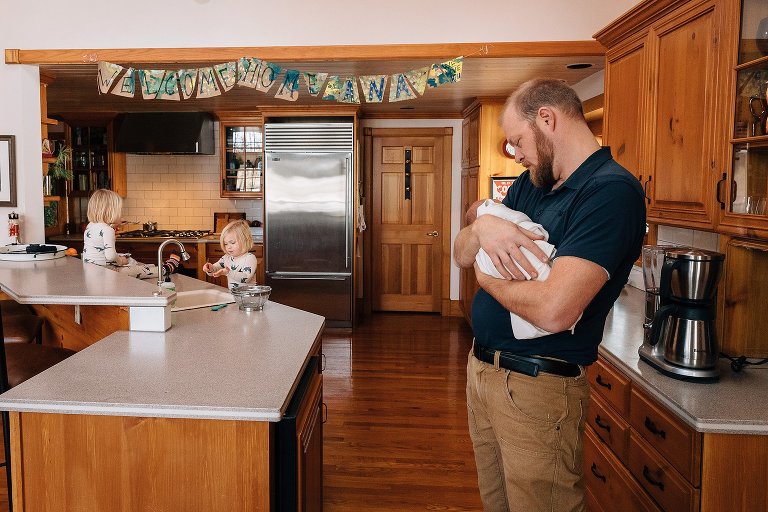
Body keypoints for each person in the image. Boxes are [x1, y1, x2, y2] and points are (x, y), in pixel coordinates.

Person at [454, 78, 646, 511]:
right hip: (484, 373)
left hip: (537, 389)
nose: (516, 154)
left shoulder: (610, 192)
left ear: (547, 119)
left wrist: (487, 282)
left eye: (517, 141)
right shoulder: (533, 184)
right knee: (497, 503)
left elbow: (555, 311)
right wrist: (482, 227)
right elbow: (461, 253)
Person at [473, 198, 578, 339]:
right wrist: (481, 224)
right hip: (480, 354)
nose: (497, 202)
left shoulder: (604, 189)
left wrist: (484, 279)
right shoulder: (524, 184)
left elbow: (554, 313)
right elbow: (460, 256)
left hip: (539, 358)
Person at [82, 189, 180, 279]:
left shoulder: (90, 226)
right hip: (107, 272)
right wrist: (120, 261)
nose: (120, 214)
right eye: (119, 211)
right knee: (139, 270)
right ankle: (168, 268)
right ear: (111, 212)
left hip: (92, 272)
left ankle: (158, 266)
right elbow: (110, 256)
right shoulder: (108, 230)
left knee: (132, 262)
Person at [203, 219, 257, 291]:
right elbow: (215, 269)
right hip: (233, 295)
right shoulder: (226, 258)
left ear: (245, 240)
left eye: (232, 242)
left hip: (248, 297)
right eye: (226, 244)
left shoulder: (249, 258)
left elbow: (246, 278)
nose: (228, 247)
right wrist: (209, 268)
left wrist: (228, 272)